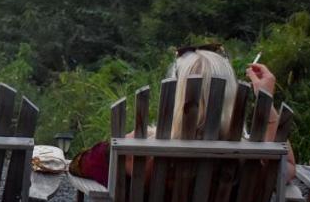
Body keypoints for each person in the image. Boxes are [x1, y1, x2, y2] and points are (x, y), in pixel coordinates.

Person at [69, 45, 295, 184]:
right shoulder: (252, 161)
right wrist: (266, 101)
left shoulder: (139, 152)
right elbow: (288, 169)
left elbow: (82, 164)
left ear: (176, 95)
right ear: (230, 94)